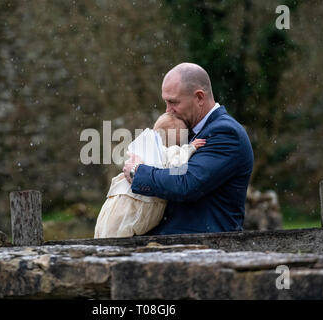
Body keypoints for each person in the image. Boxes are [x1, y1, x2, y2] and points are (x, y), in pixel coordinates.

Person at [123, 62, 254, 235]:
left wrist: (137, 172)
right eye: (166, 102)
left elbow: (186, 183)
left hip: (208, 250)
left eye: (173, 102)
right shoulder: (185, 129)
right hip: (177, 248)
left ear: (199, 98)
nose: (168, 111)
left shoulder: (226, 133)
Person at [94, 113, 206, 238]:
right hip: (138, 205)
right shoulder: (167, 152)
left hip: (119, 200)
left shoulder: (141, 149)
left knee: (108, 230)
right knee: (123, 233)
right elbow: (177, 163)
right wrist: (190, 148)